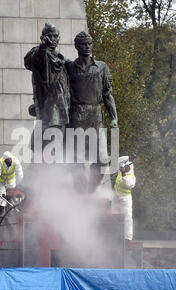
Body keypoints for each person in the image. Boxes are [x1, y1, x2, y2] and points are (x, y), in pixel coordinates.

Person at [66, 31, 118, 193]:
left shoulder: (101, 67)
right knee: (76, 160)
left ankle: (91, 191)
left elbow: (107, 95)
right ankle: (81, 195)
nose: (87, 47)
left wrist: (114, 118)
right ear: (76, 46)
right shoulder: (69, 68)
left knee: (103, 160)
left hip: (95, 115)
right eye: (83, 44)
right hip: (76, 115)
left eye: (89, 44)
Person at [24, 23, 71, 150]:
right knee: (48, 148)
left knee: (54, 147)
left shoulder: (61, 59)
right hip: (50, 112)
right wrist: (42, 47)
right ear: (42, 38)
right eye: (49, 36)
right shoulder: (39, 54)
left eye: (55, 36)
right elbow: (37, 60)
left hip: (62, 110)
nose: (53, 39)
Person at [113, 154, 137, 241]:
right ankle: (114, 235)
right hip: (116, 196)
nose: (125, 168)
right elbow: (119, 159)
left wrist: (123, 174)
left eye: (127, 167)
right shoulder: (121, 171)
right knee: (114, 215)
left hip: (125, 199)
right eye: (125, 166)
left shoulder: (131, 177)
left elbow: (128, 184)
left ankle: (127, 237)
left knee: (127, 217)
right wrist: (128, 158)